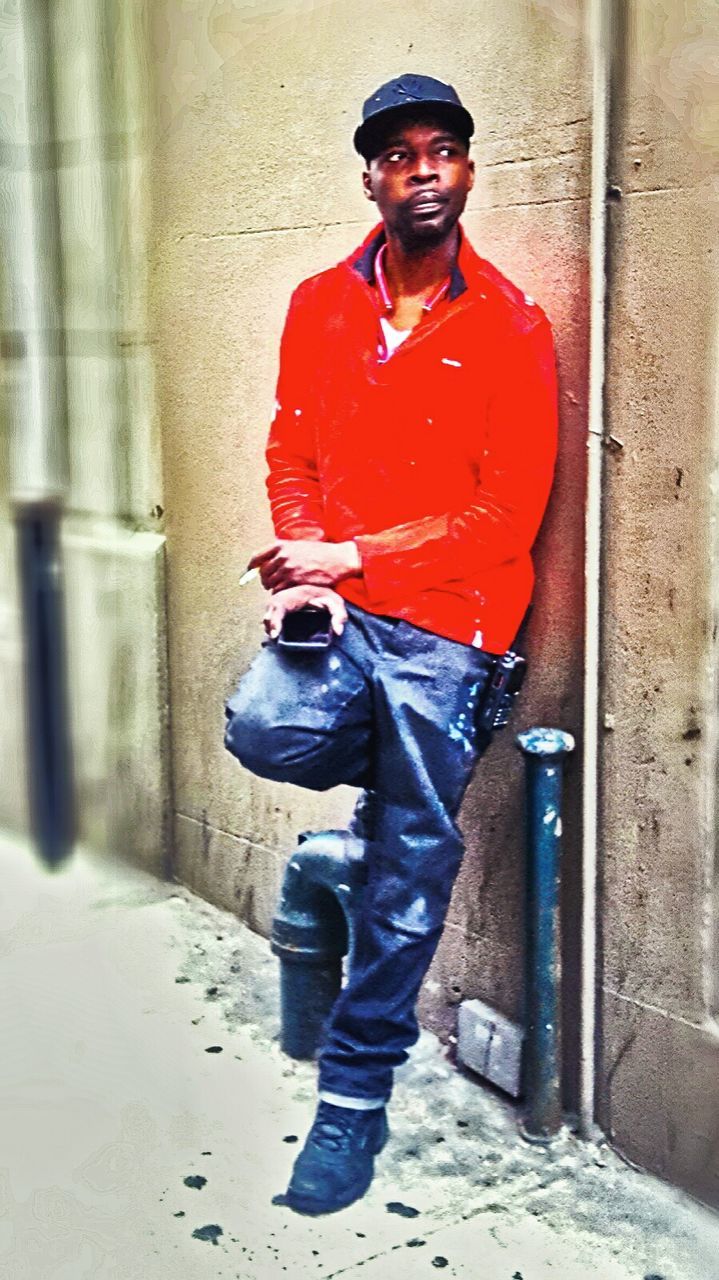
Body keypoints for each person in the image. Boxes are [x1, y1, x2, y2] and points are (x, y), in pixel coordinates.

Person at [224, 73, 558, 1215]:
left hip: (452, 625)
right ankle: (373, 813)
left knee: (413, 868)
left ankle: (352, 1100)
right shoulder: (320, 302)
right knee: (263, 723)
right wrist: (306, 571)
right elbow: (290, 456)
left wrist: (348, 558)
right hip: (349, 609)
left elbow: (501, 521)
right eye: (399, 151)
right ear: (368, 174)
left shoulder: (510, 325)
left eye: (445, 148)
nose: (423, 166)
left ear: (465, 172)